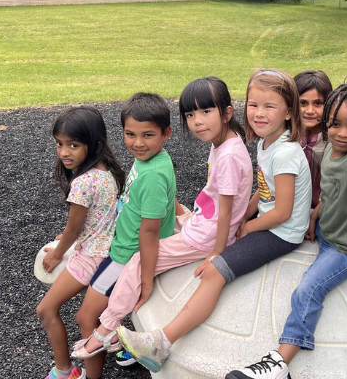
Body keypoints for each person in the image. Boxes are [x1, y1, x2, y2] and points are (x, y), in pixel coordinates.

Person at [114, 69, 312, 373]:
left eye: (269, 107)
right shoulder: (266, 142)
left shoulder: (285, 153)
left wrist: (247, 228)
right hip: (267, 220)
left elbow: (283, 213)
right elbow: (265, 188)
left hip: (282, 233)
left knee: (215, 272)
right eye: (254, 105)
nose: (259, 114)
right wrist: (246, 213)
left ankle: (162, 342)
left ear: (289, 112)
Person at [71, 78, 253, 367]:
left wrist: (218, 253)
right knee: (175, 219)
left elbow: (227, 212)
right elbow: (225, 200)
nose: (197, 122)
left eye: (206, 112)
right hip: (202, 222)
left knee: (138, 262)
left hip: (206, 237)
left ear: (227, 113)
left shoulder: (228, 155)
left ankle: (107, 330)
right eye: (190, 115)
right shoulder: (225, 142)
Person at [226, 84, 347, 379]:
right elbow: (330, 192)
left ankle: (279, 362)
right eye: (335, 123)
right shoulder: (330, 153)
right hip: (326, 232)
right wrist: (315, 216)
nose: (342, 133)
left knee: (308, 289)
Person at [71, 93, 177, 379]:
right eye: (130, 134)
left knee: (85, 317)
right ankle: (125, 341)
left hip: (126, 255)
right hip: (124, 245)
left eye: (147, 135)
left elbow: (150, 231)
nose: (138, 143)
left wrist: (145, 279)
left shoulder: (153, 174)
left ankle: (93, 372)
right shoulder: (155, 160)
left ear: (166, 133)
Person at [36, 106, 125, 379]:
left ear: (94, 144)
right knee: (92, 322)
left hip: (90, 256)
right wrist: (74, 236)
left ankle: (64, 371)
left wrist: (57, 254)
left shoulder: (84, 183)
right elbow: (104, 215)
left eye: (73, 145)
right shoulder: (108, 171)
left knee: (46, 309)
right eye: (59, 144)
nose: (64, 152)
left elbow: (74, 228)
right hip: (106, 251)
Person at [295, 70, 333, 211]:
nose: (310, 110)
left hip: (323, 208)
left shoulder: (332, 139)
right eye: (303, 103)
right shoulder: (289, 134)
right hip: (291, 206)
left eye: (318, 103)